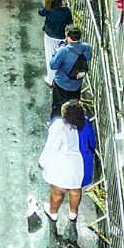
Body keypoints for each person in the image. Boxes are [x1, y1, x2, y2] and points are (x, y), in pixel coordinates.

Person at [38, 100, 97, 240]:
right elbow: (92, 143)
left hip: (63, 165)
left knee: (58, 191)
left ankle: (53, 212)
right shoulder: (87, 123)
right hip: (81, 166)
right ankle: (73, 213)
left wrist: (42, 162)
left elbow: (51, 147)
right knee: (76, 190)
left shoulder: (58, 126)